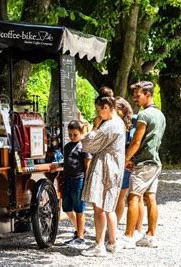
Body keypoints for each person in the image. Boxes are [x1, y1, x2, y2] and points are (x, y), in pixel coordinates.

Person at [80, 87, 126, 256]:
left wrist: (92, 128)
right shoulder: (119, 122)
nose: (98, 114)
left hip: (105, 167)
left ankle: (99, 245)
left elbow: (88, 144)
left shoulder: (109, 126)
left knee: (99, 206)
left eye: (99, 111)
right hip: (114, 167)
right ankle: (113, 243)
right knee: (109, 207)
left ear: (106, 107)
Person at [121, 81, 166, 249]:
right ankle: (151, 236)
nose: (135, 98)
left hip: (143, 164)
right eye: (134, 95)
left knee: (133, 197)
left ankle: (128, 237)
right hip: (155, 162)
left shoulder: (144, 116)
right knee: (150, 198)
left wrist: (126, 159)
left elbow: (136, 141)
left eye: (138, 95)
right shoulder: (160, 115)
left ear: (148, 94)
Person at [115, 97, 145, 232]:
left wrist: (130, 159)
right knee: (121, 198)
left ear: (122, 109)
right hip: (120, 162)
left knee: (135, 197)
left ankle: (137, 229)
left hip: (130, 162)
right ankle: (114, 228)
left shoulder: (136, 120)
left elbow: (138, 142)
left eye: (115, 110)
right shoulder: (114, 122)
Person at [62, 120, 92, 248]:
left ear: (81, 133)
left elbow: (87, 164)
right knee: (67, 208)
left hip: (78, 179)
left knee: (79, 209)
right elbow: (66, 163)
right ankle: (80, 230)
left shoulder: (83, 147)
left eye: (75, 134)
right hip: (67, 179)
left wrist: (87, 181)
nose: (72, 137)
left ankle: (80, 237)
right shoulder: (67, 146)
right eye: (70, 134)